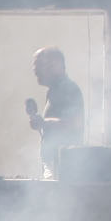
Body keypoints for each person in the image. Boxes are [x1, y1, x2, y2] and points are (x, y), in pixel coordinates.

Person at [24, 47, 84, 176]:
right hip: (56, 164)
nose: (34, 70)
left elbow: (74, 124)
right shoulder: (53, 91)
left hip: (65, 166)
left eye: (38, 65)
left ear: (54, 65)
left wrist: (44, 123)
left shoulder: (68, 89)